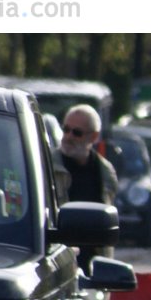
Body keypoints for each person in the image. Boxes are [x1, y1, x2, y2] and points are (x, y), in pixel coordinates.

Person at [58, 105, 118, 272]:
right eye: (66, 129)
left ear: (94, 137)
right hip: (58, 264)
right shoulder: (47, 165)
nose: (68, 136)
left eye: (77, 132)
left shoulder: (105, 172)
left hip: (92, 269)